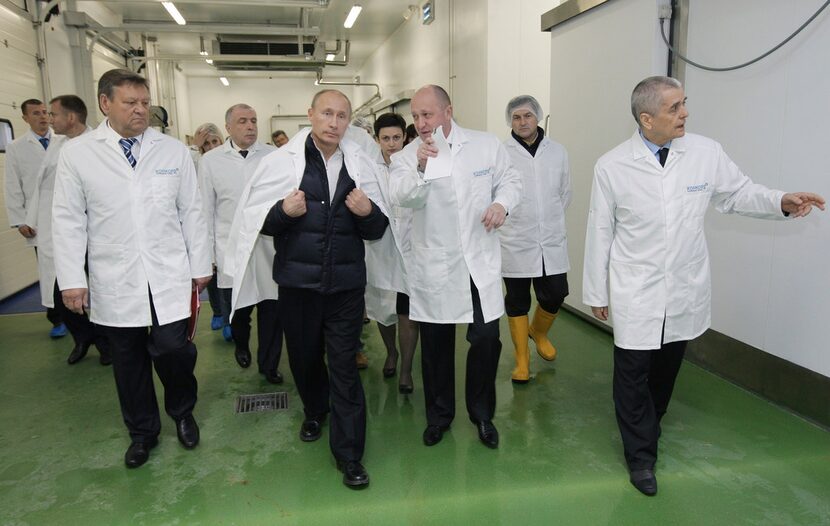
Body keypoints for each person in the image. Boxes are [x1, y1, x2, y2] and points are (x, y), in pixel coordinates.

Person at [583, 75, 825, 496]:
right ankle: (640, 457)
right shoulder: (612, 165)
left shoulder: (704, 153)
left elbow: (738, 193)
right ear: (646, 118)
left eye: (684, 104)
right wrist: (596, 292)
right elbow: (600, 230)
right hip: (635, 286)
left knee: (666, 367)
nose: (685, 114)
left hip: (682, 285)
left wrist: (780, 201)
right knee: (632, 372)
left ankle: (649, 423)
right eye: (674, 107)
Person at [227, 89, 388, 488]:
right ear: (311, 115)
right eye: (327, 113)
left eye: (342, 116)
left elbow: (382, 227)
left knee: (345, 369)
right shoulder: (282, 165)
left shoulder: (362, 165)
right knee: (303, 358)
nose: (334, 122)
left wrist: (367, 213)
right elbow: (258, 223)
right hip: (297, 286)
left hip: (346, 287)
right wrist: (283, 211)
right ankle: (315, 410)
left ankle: (350, 455)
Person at [52, 69, 211, 469]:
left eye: (144, 103)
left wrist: (200, 263)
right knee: (127, 360)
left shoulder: (172, 150)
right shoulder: (78, 153)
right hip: (115, 275)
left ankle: (182, 411)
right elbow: (68, 218)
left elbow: (192, 210)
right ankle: (143, 433)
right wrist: (72, 280)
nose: (141, 110)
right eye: (131, 103)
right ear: (106, 103)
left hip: (168, 272)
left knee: (175, 349)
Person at [389, 85, 521, 449]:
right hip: (436, 264)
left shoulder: (484, 144)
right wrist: (420, 165)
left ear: (448, 111)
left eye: (427, 115)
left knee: (485, 339)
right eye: (415, 116)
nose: (421, 123)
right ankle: (439, 416)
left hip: (477, 261)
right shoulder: (406, 157)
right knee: (435, 347)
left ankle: (482, 414)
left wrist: (502, 204)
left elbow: (511, 180)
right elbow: (402, 197)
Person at [200, 104, 283, 383]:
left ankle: (269, 364)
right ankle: (242, 344)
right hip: (230, 249)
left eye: (254, 121)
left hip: (268, 246)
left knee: (272, 308)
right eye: (243, 121)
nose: (250, 126)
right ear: (228, 127)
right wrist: (208, 254)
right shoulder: (210, 162)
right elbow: (205, 211)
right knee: (239, 310)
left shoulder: (273, 156)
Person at [25, 95, 108, 365]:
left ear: (71, 117)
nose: (50, 120)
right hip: (64, 231)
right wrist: (30, 219)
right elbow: (41, 185)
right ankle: (84, 337)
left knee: (101, 290)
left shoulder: (100, 144)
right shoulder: (57, 145)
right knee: (63, 293)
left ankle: (107, 343)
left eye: (54, 115)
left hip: (96, 233)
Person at [499, 95, 571, 383]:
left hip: (550, 238)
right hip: (515, 238)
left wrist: (547, 219)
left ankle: (538, 331)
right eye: (516, 117)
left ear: (537, 117)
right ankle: (522, 360)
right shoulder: (501, 153)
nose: (522, 122)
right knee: (517, 300)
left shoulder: (558, 152)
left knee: (556, 293)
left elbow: (565, 192)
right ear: (510, 122)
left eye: (527, 116)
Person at [4, 98, 66, 338]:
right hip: (38, 219)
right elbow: (12, 185)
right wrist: (20, 220)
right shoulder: (17, 147)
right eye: (36, 113)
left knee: (75, 267)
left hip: (66, 215)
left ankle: (83, 314)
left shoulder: (64, 141)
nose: (43, 117)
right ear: (25, 118)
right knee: (49, 271)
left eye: (45, 112)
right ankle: (57, 319)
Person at [367, 112, 418, 393]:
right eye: (385, 138)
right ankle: (391, 352)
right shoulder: (367, 168)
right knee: (382, 308)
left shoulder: (416, 163)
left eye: (396, 137)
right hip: (380, 247)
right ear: (377, 140)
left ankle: (407, 371)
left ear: (404, 137)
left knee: (408, 310)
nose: (391, 143)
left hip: (412, 248)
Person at [191, 122, 225, 331]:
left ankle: (230, 316)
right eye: (206, 144)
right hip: (203, 223)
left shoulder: (228, 160)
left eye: (215, 141)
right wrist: (195, 147)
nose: (211, 147)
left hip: (224, 225)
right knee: (210, 272)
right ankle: (218, 312)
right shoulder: (197, 161)